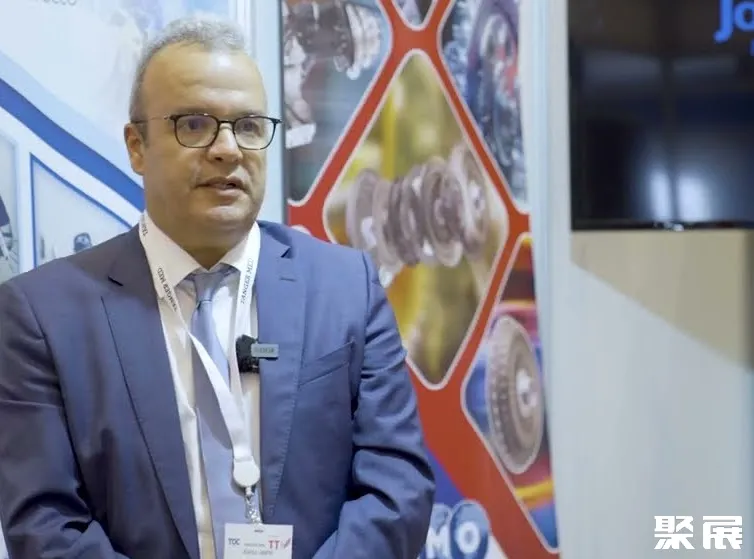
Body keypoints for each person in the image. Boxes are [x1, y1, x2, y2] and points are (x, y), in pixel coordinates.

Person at [0, 16, 434, 559]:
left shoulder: (347, 289)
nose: (228, 149)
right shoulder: (43, 315)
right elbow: (45, 525)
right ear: (137, 146)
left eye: (248, 126)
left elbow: (398, 487)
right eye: (194, 124)